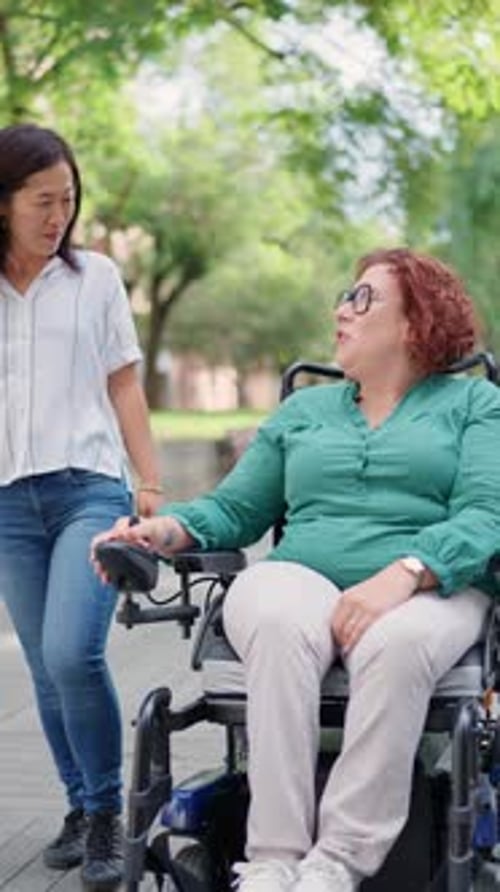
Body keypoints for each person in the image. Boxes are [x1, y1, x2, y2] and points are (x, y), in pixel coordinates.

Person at [93, 247, 500, 892]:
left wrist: (405, 572)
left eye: (362, 297)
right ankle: (273, 860)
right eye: (344, 294)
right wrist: (163, 529)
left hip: (431, 584)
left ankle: (337, 863)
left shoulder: (475, 405)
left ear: (414, 320)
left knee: (396, 641)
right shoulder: (303, 413)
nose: (341, 308)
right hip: (303, 572)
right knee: (280, 618)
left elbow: (486, 514)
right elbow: (234, 509)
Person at [0, 123, 165, 892]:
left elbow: (125, 383)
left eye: (66, 199)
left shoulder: (95, 276)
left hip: (88, 491)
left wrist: (150, 487)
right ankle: (78, 805)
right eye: (41, 200)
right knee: (40, 666)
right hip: (8, 500)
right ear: (3, 203)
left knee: (73, 651)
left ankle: (107, 813)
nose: (56, 214)